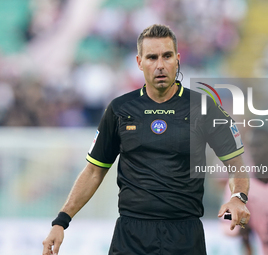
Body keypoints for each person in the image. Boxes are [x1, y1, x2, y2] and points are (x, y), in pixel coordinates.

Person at [42, 24, 250, 255]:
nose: (160, 65)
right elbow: (94, 171)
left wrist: (238, 197)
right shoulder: (120, 109)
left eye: (167, 56)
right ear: (140, 62)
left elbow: (236, 166)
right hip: (131, 236)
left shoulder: (203, 107)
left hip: (184, 235)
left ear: (178, 59)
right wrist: (61, 221)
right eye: (152, 57)